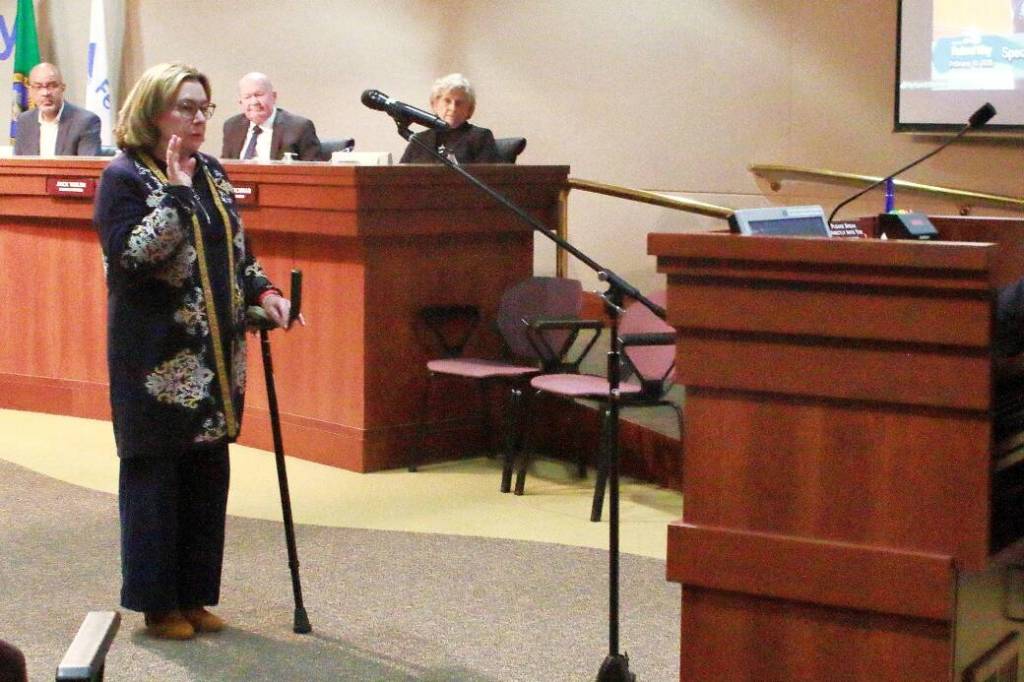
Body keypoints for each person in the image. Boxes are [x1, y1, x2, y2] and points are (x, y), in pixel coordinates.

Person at [94, 62, 298, 640]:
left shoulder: (211, 170)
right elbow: (129, 258)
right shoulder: (124, 177)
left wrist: (267, 292)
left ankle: (194, 595)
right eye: (186, 106)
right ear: (153, 111)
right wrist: (176, 199)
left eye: (204, 107)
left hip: (215, 358)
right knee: (156, 478)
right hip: (155, 362)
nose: (198, 118)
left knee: (207, 476)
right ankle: (158, 604)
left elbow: (238, 251)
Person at [399, 73, 500, 164]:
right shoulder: (420, 140)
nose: (453, 108)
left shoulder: (481, 137)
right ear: (434, 104)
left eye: (459, 103)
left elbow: (489, 177)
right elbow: (400, 177)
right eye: (447, 101)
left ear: (470, 110)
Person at [220, 72, 321, 161]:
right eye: (247, 97)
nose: (254, 102)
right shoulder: (232, 126)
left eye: (259, 95)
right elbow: (223, 170)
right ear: (240, 102)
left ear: (274, 96)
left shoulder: (299, 128)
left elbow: (314, 172)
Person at [13, 62, 101, 156]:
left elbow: (87, 167)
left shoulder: (85, 122)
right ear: (30, 91)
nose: (45, 93)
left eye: (51, 86)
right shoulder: (25, 121)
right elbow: (19, 164)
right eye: (38, 87)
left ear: (62, 88)